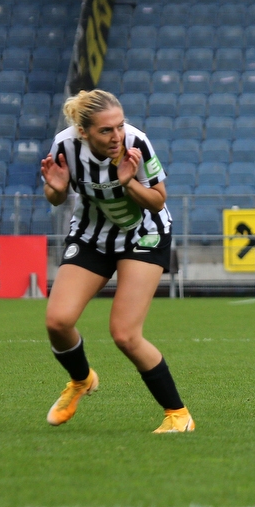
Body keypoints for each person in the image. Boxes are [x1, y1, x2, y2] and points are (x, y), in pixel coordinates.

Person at [40, 89, 194, 433]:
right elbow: (55, 196)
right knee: (57, 321)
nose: (116, 136)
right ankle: (81, 380)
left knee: (125, 334)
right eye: (105, 130)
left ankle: (178, 415)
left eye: (119, 126)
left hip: (144, 235)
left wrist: (126, 183)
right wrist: (57, 189)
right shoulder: (63, 146)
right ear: (83, 132)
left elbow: (157, 201)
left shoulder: (138, 143)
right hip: (93, 234)